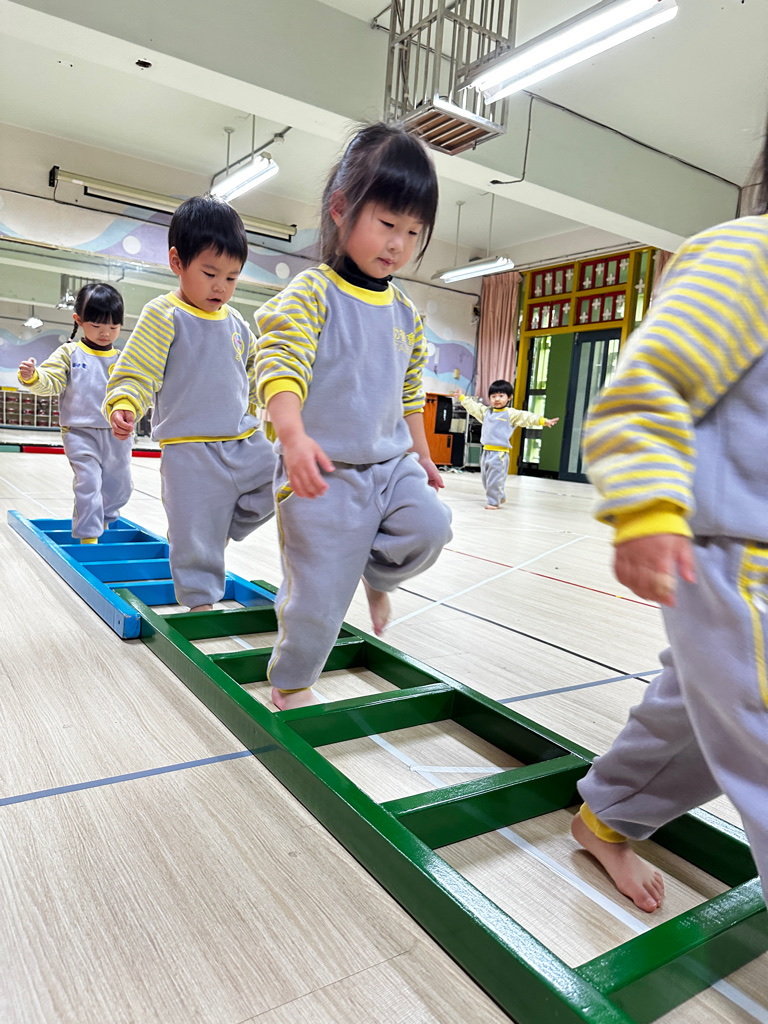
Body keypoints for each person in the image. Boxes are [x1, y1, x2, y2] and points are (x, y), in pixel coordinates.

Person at [570, 188, 768, 913]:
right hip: (736, 557)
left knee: (695, 707)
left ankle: (606, 815)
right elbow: (647, 383)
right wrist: (646, 506)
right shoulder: (750, 253)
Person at [255, 121, 453, 712]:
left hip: (391, 466)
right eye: (387, 223)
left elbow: (409, 392)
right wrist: (292, 437)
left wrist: (422, 455)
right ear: (341, 210)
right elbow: (279, 366)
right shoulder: (313, 294)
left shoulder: (406, 313)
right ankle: (291, 683)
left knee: (431, 527)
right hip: (323, 472)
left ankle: (377, 576)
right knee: (316, 598)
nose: (399, 244)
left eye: (413, 232)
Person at [104, 195, 276, 611]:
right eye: (210, 273)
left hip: (242, 441)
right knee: (193, 538)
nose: (221, 287)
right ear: (177, 262)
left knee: (287, 476)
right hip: (189, 452)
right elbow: (137, 370)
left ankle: (221, 526)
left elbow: (256, 372)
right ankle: (200, 605)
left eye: (232, 277)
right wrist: (125, 401)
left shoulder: (237, 323)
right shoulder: (165, 315)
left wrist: (282, 397)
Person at [18, 282, 132, 543]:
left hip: (117, 435)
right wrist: (33, 376)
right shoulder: (69, 353)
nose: (105, 333)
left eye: (113, 327)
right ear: (78, 320)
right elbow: (51, 381)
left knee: (120, 487)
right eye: (97, 326)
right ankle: (88, 537)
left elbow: (135, 389)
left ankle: (105, 519)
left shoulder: (122, 359)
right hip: (80, 433)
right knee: (88, 483)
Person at [452, 380, 558, 509]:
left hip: (499, 454)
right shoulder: (486, 412)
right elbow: (473, 408)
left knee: (495, 479)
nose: (497, 399)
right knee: (486, 480)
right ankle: (500, 496)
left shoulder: (510, 414)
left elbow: (526, 417)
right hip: (486, 452)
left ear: (509, 397)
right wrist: (462, 398)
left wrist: (543, 421)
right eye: (493, 396)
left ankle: (494, 502)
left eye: (501, 396)